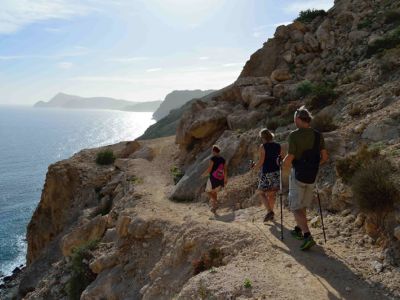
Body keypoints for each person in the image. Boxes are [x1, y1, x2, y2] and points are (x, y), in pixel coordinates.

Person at [283, 106, 328, 251]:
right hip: (312, 176)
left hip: (298, 175)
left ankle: (307, 236)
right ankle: (298, 229)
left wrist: (282, 165)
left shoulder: (294, 135)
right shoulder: (318, 135)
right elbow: (325, 157)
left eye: (294, 119)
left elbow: (290, 157)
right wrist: (313, 165)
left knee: (295, 207)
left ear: (297, 119)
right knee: (302, 204)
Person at [252, 128, 283, 223]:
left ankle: (270, 211)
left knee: (261, 192)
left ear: (263, 137)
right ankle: (271, 215)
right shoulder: (278, 146)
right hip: (276, 172)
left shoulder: (263, 146)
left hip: (266, 172)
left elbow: (261, 161)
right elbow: (280, 160)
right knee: (272, 194)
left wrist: (254, 167)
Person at [202, 145, 228, 215]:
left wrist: (203, 174)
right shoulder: (223, 159)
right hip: (220, 178)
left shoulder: (212, 159)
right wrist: (225, 178)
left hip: (213, 178)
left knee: (207, 191)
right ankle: (214, 208)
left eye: (212, 150)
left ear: (214, 151)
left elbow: (209, 169)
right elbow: (225, 170)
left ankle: (216, 201)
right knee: (214, 192)